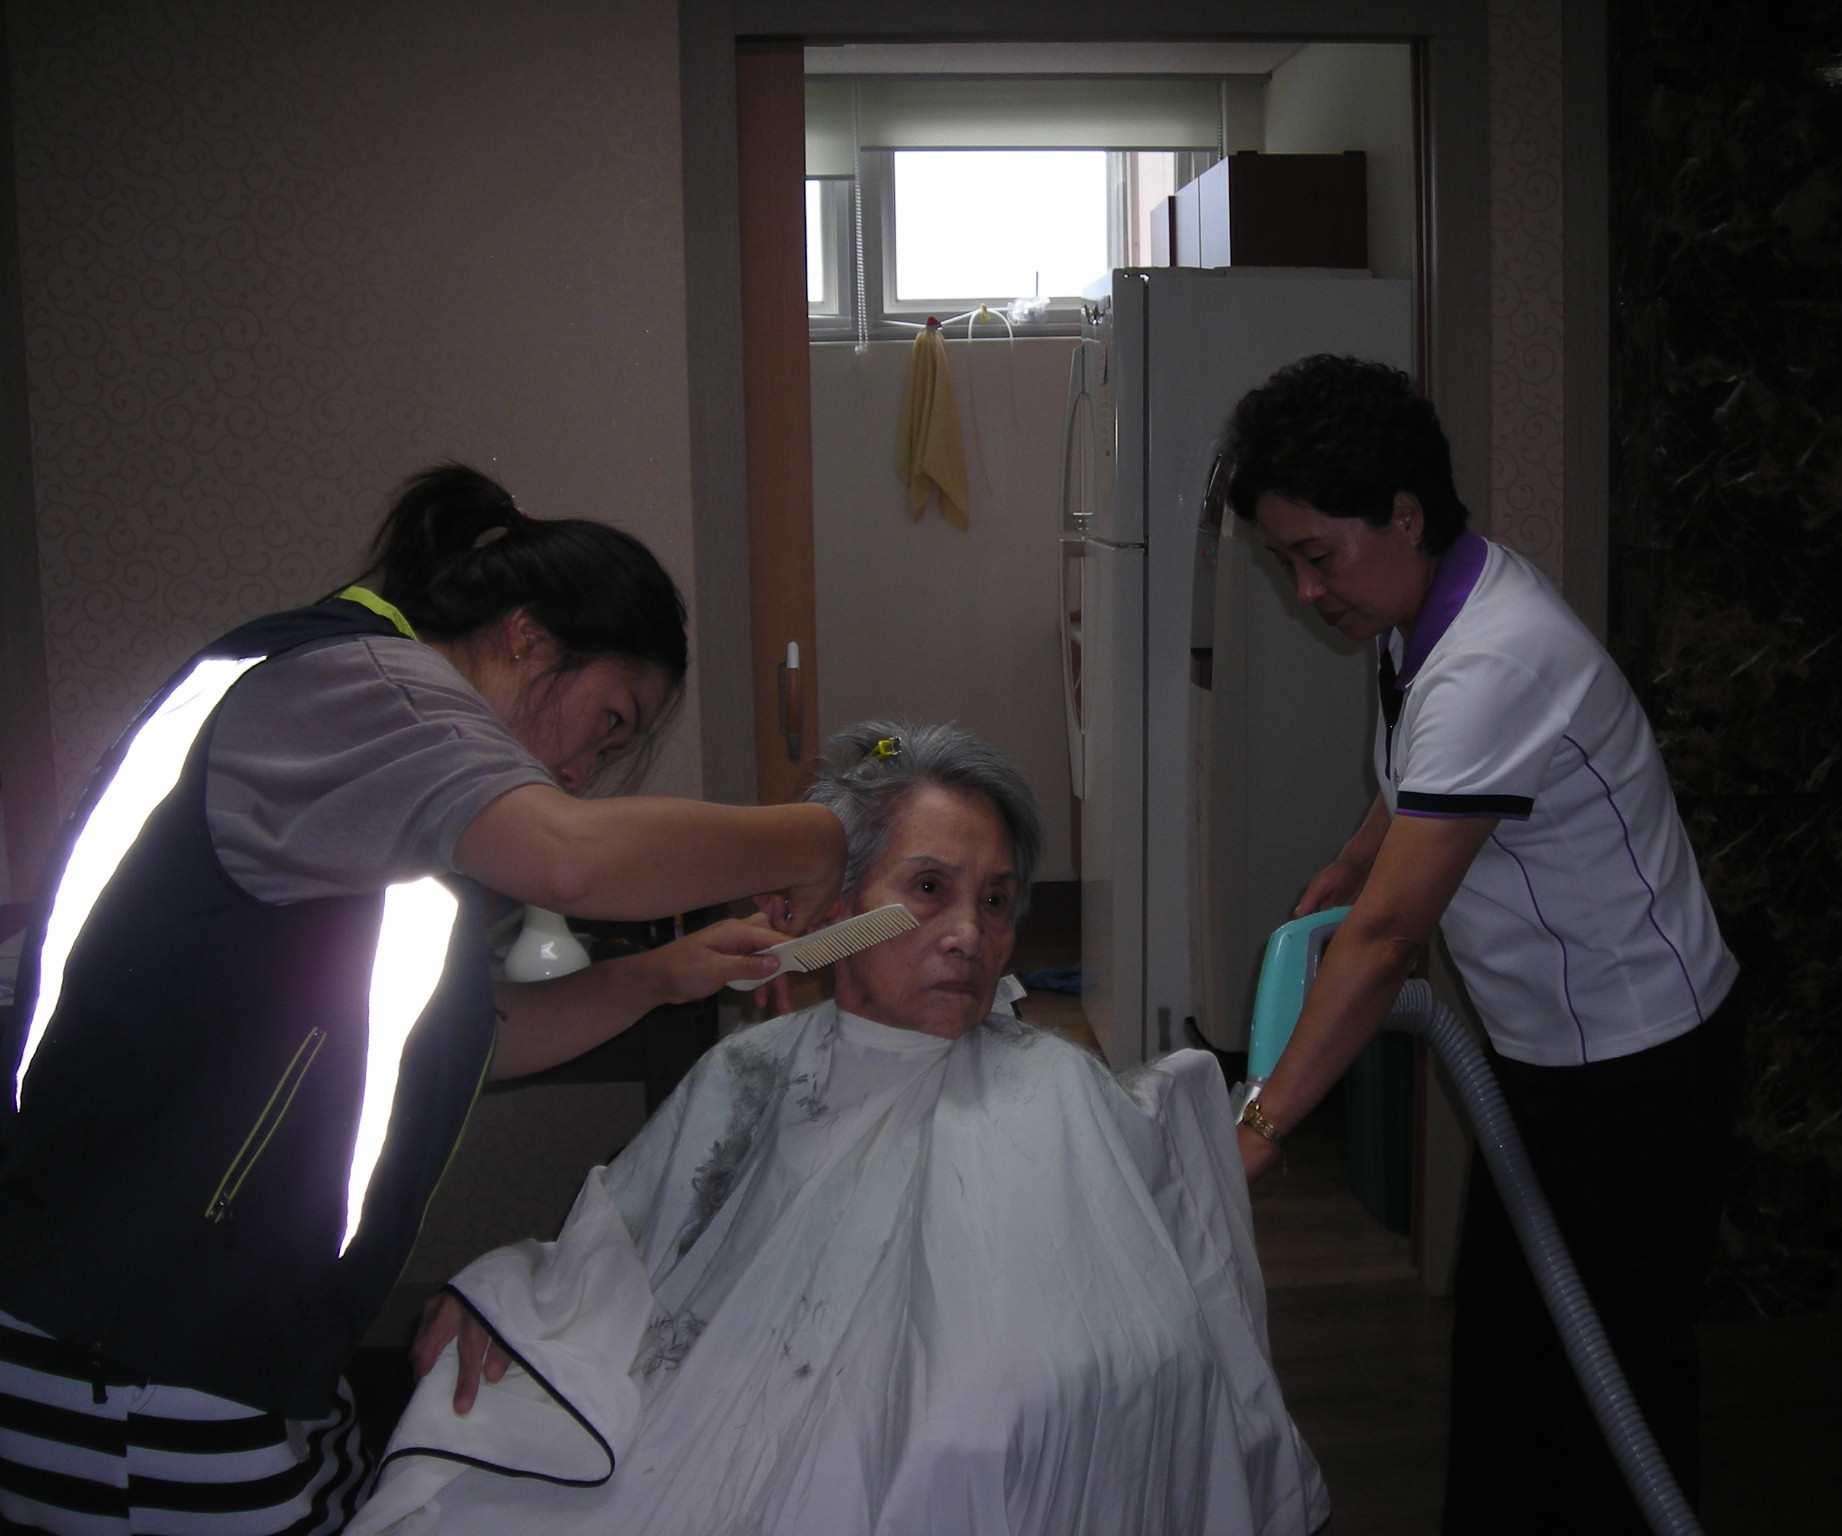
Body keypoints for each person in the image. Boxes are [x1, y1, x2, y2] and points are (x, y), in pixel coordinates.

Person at [0, 465, 845, 1536]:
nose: (583, 772)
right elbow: (569, 858)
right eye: (606, 723)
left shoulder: (389, 789)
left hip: (253, 1330)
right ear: (527, 636)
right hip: (129, 1330)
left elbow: (452, 1040)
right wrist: (818, 836)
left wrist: (659, 976)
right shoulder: (356, 685)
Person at [346, 722, 1329, 1536]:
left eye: (994, 902)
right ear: (838, 906)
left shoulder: (1060, 1087)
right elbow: (620, 1248)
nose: (969, 934)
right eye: (929, 889)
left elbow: (1167, 1308)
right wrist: (502, 1302)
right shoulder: (748, 1073)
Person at [1223, 357, 1743, 1534]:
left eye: (1316, 556)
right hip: (1549, 1055)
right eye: (1284, 561)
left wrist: (1260, 1126)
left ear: (1403, 513)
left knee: (1608, 1394)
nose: (1304, 590)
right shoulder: (1418, 612)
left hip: (1637, 1066)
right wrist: (1354, 861)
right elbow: (1422, 779)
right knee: (1511, 1363)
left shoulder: (1495, 656)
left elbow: (1386, 943)